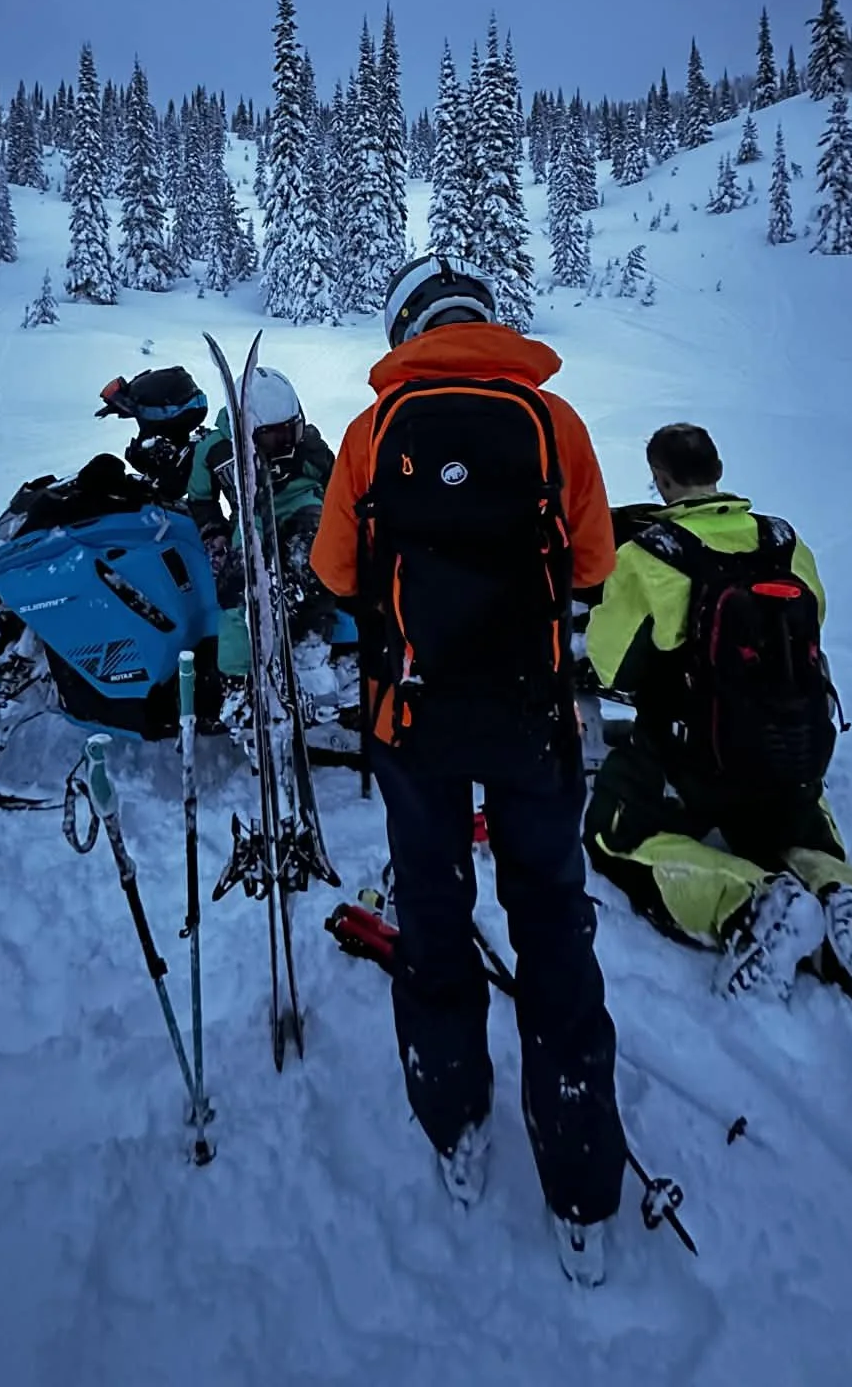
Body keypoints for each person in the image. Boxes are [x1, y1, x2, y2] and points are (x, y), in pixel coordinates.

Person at [311, 254, 627, 1287]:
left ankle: (455, 1119)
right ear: (486, 320)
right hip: (536, 724)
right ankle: (580, 1181)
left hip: (412, 721)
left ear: (407, 326)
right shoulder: (553, 422)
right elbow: (592, 565)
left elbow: (333, 572)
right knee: (551, 920)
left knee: (436, 919)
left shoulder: (371, 432)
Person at [584, 423, 852, 1021]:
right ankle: (844, 894)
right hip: (790, 752)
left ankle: (751, 902)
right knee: (798, 832)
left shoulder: (651, 555)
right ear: (717, 468)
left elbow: (613, 664)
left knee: (616, 834)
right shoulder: (783, 541)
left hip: (693, 761)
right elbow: (811, 624)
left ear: (661, 480)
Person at [187, 365, 338, 680]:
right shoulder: (216, 449)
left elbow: (337, 484)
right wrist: (213, 532)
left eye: (291, 431)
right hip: (249, 512)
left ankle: (309, 650)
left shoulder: (308, 445)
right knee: (238, 580)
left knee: (312, 559)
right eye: (273, 436)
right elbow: (201, 498)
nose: (286, 443)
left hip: (303, 504)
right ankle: (239, 674)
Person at [94, 367, 211, 504]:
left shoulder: (140, 399)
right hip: (186, 412)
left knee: (148, 453)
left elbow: (153, 423)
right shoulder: (142, 390)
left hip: (182, 414)